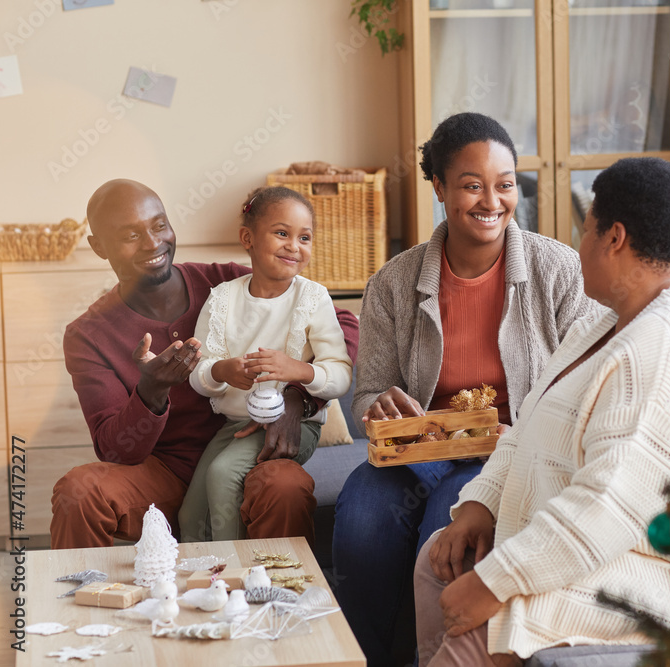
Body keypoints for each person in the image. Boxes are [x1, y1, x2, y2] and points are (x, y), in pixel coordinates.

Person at [414, 157, 670, 666]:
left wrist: (495, 582)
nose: (578, 246)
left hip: (662, 566)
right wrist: (480, 508)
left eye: (584, 230)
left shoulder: (665, 347)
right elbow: (528, 427)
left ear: (614, 238)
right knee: (440, 558)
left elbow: (606, 508)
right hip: (598, 539)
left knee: (497, 618)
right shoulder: (607, 322)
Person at [333, 112, 597, 667]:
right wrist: (377, 403)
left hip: (507, 451)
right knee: (360, 516)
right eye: (472, 185)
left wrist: (524, 432)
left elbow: (590, 380)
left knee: (444, 534)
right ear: (440, 188)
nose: (491, 201)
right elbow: (367, 396)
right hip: (421, 450)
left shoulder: (559, 270)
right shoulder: (394, 282)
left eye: (504, 185)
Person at [50, 179, 358, 549]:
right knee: (78, 491)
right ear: (98, 246)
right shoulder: (88, 334)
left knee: (285, 485)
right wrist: (151, 391)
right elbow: (116, 451)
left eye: (159, 225)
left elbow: (343, 323)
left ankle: (283, 601)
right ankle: (83, 602)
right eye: (130, 235)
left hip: (251, 449)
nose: (152, 243)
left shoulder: (224, 282)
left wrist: (296, 398)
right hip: (163, 474)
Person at [179, 186, 353, 542]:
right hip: (235, 425)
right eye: (281, 233)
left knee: (223, 473)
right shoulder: (223, 298)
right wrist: (221, 371)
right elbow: (199, 370)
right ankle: (195, 584)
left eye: (305, 237)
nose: (294, 246)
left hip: (297, 426)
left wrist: (298, 370)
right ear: (248, 238)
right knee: (190, 513)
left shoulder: (313, 298)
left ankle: (229, 576)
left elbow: (340, 375)